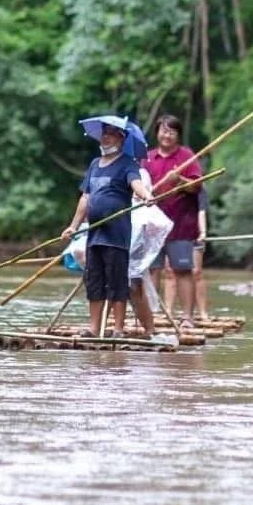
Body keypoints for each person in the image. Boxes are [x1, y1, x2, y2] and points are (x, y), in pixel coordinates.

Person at [60, 117, 158, 339]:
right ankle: (94, 328)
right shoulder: (94, 164)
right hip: (94, 234)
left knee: (116, 282)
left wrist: (146, 195)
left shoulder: (128, 163)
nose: (105, 137)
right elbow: (85, 198)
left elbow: (136, 184)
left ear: (121, 138)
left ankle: (118, 329)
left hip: (116, 235)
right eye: (104, 132)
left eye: (111, 133)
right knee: (94, 281)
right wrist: (73, 226)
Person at [143, 113, 208, 326]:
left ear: (178, 135)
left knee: (182, 270)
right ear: (157, 133)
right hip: (152, 225)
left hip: (181, 225)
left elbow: (196, 187)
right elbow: (138, 187)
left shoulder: (187, 157)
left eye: (172, 132)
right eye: (164, 131)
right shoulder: (147, 158)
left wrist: (178, 178)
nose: (167, 135)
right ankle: (150, 316)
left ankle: (188, 317)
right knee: (152, 269)